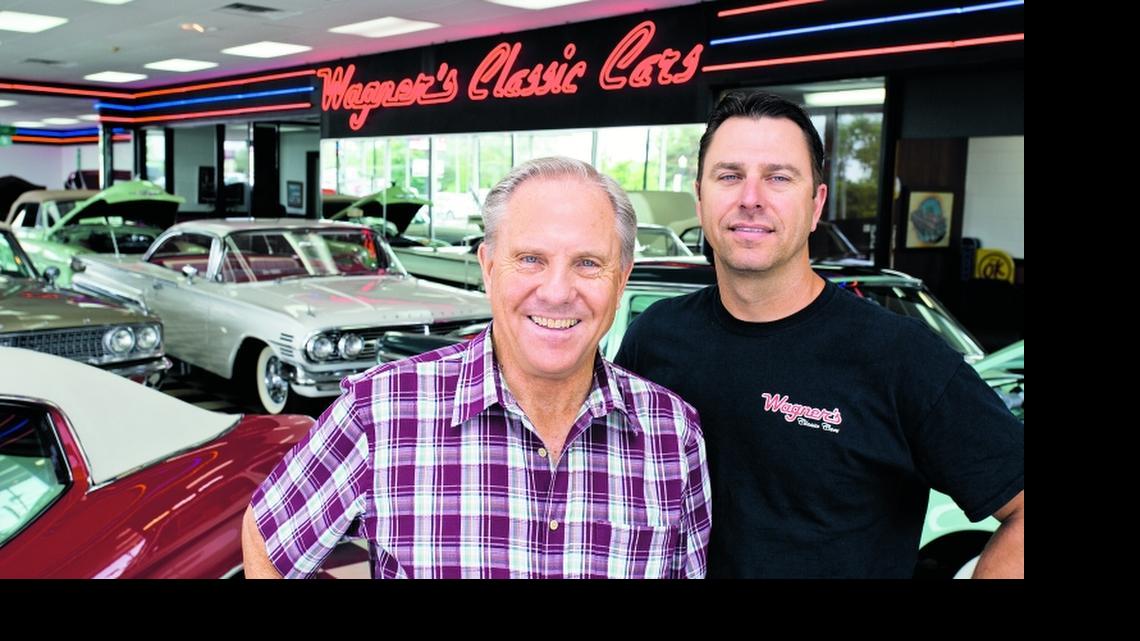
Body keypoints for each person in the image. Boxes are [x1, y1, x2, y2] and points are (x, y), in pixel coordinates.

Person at [614, 90, 1024, 579]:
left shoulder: (899, 357)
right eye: (729, 176)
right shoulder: (655, 336)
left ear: (816, 204)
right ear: (700, 200)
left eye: (779, 178)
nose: (751, 198)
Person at [242, 156, 712, 579]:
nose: (556, 291)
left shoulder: (672, 434)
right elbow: (267, 540)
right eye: (530, 259)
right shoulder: (379, 413)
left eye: (588, 263)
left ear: (622, 277)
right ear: (488, 268)